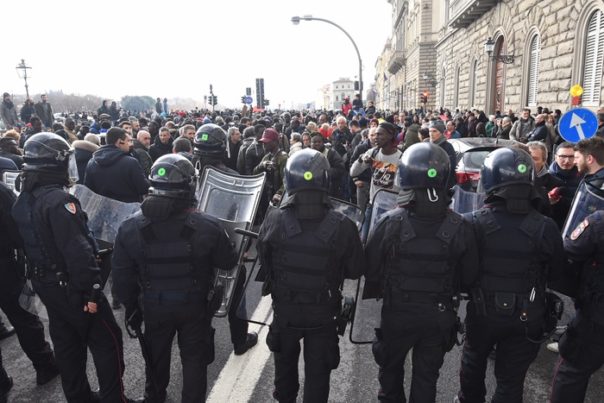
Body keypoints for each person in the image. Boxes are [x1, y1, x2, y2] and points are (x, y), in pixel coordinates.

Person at [11, 132, 140, 403]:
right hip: (73, 285)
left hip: (45, 283)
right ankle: (114, 399)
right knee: (107, 341)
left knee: (67, 344)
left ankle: (79, 397)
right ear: (55, 163)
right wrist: (91, 291)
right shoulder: (59, 201)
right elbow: (77, 252)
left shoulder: (23, 198)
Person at [112, 154, 236, 402]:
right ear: (190, 186)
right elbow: (228, 262)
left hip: (154, 306)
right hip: (195, 306)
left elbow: (122, 277)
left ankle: (154, 397)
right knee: (194, 361)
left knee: (155, 358)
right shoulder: (207, 225)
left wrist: (132, 308)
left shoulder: (129, 226)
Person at [364, 142, 479, 402]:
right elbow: (470, 277)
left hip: (397, 312)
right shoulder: (460, 225)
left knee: (390, 373)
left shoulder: (390, 221)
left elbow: (370, 268)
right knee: (426, 378)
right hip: (438, 314)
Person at [456, 147, 565, 403]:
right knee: (511, 379)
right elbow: (559, 274)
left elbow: (462, 274)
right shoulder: (545, 226)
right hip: (528, 314)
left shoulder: (472, 221)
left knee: (473, 362)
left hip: (483, 311)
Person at [258, 148, 364, 403]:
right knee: (318, 376)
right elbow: (356, 270)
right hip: (323, 312)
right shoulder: (343, 224)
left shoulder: (274, 218)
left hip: (285, 311)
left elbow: (264, 259)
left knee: (284, 374)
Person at [192, 123, 259, 354]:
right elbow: (242, 218)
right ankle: (239, 340)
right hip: (225, 244)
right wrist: (243, 248)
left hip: (192, 247)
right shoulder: (233, 177)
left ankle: (202, 340)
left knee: (197, 292)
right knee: (235, 291)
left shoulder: (186, 173)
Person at [548, 136, 604, 403]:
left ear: (589, 158)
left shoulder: (598, 219)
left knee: (572, 369)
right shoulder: (590, 182)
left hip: (596, 311)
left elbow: (573, 249)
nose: (572, 161)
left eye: (577, 156)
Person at [0, 179, 60, 396]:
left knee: (24, 316)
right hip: (4, 266)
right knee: (24, 316)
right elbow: (16, 225)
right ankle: (45, 365)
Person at [84, 127, 149, 203]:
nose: (130, 144)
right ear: (119, 142)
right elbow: (143, 188)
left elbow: (88, 190)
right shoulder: (131, 162)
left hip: (102, 207)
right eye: (127, 141)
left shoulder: (92, 162)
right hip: (129, 208)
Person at [548, 142, 583, 229]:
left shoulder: (584, 177)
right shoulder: (547, 177)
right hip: (553, 224)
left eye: (571, 157)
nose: (567, 161)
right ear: (556, 157)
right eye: (563, 156)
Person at [253, 128, 288, 207]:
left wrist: (279, 193)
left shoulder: (283, 158)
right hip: (267, 196)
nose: (264, 144)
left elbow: (286, 181)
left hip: (278, 200)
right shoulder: (267, 157)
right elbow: (254, 173)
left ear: (275, 142)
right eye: (263, 142)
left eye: (266, 142)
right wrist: (262, 166)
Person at [310, 134, 346, 199]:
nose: (317, 144)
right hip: (312, 188)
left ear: (323, 142)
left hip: (330, 189)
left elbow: (340, 169)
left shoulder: (331, 153)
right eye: (314, 142)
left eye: (319, 142)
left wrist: (324, 172)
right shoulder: (308, 154)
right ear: (311, 144)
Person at [428, 120, 457, 189]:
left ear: (441, 133)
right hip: (428, 183)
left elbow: (451, 167)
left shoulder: (448, 146)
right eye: (430, 131)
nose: (431, 134)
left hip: (443, 184)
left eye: (434, 131)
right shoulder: (427, 145)